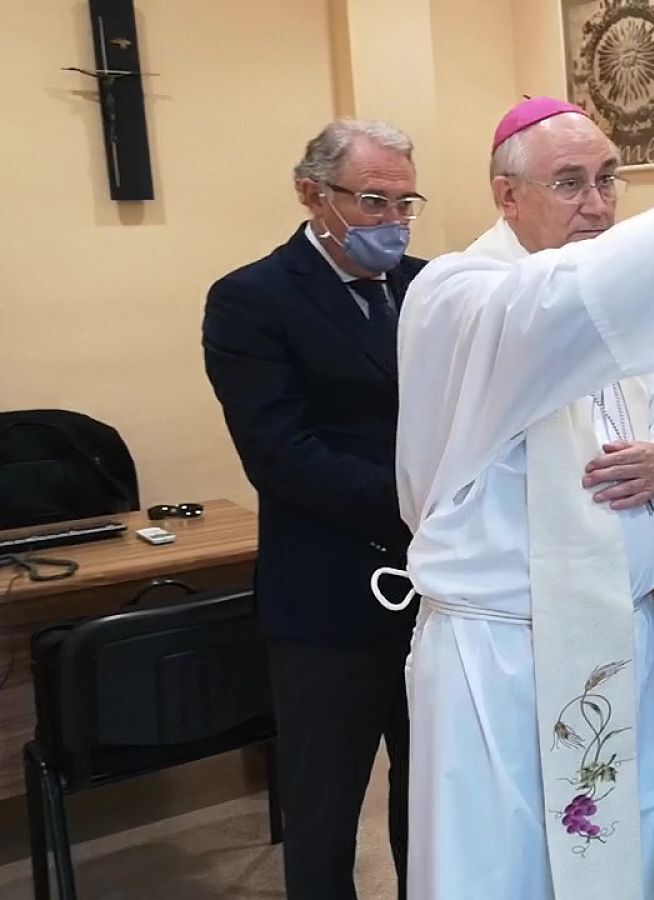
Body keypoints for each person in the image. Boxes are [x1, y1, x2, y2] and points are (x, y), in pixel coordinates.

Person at [381, 97, 654, 900]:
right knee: (503, 862)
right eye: (570, 182)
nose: (598, 203)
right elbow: (546, 306)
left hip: (622, 636)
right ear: (507, 196)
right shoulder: (455, 294)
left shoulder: (616, 307)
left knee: (623, 836)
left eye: (609, 179)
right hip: (503, 660)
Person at [202, 119, 426, 898]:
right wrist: (426, 502)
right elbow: (281, 456)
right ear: (312, 193)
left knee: (431, 794)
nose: (392, 221)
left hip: (438, 587)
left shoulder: (429, 287)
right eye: (373, 201)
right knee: (324, 809)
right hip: (327, 595)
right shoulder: (251, 299)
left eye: (405, 202)